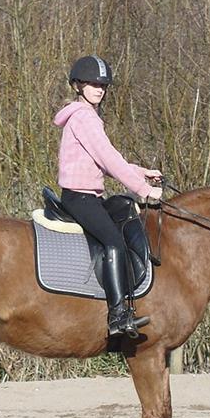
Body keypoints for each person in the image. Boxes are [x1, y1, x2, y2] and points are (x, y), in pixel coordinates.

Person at [54, 55, 162, 338]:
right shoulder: (84, 118)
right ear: (77, 85)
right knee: (114, 242)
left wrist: (141, 172)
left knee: (123, 216)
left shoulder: (86, 116)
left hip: (89, 196)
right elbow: (109, 160)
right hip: (80, 197)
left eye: (102, 84)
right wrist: (144, 190)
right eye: (92, 83)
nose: (99, 89)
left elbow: (107, 160)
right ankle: (117, 315)